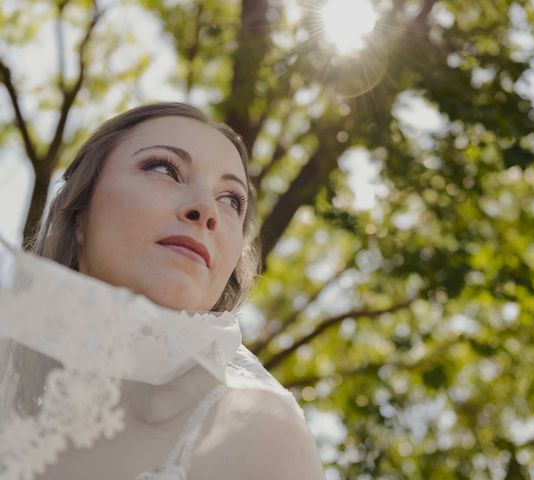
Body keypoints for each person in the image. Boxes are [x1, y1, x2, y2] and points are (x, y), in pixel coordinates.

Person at [0, 102, 325, 479]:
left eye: (231, 200)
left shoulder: (256, 428)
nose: (207, 211)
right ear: (80, 218)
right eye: (164, 169)